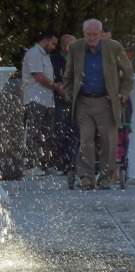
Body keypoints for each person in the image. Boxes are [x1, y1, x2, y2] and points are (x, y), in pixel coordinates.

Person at [62, 18, 134, 191]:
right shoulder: (76, 48)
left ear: (101, 34)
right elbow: (69, 74)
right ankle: (86, 178)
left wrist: (123, 93)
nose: (92, 38)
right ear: (84, 34)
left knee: (109, 141)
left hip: (106, 101)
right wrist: (69, 95)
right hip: (84, 102)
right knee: (86, 140)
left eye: (95, 34)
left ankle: (106, 178)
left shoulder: (113, 47)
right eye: (88, 34)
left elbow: (128, 72)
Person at [21, 31, 59, 176]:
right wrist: (56, 87)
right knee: (34, 132)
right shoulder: (34, 53)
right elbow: (39, 76)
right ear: (46, 40)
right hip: (35, 98)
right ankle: (30, 165)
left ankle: (44, 164)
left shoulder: (45, 56)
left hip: (47, 100)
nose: (54, 47)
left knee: (46, 134)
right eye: (53, 43)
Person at [50, 33, 77, 183]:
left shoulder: (78, 59)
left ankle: (72, 162)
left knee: (75, 131)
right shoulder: (54, 59)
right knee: (62, 130)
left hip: (75, 99)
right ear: (63, 45)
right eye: (68, 44)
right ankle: (62, 162)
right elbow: (53, 78)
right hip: (59, 99)